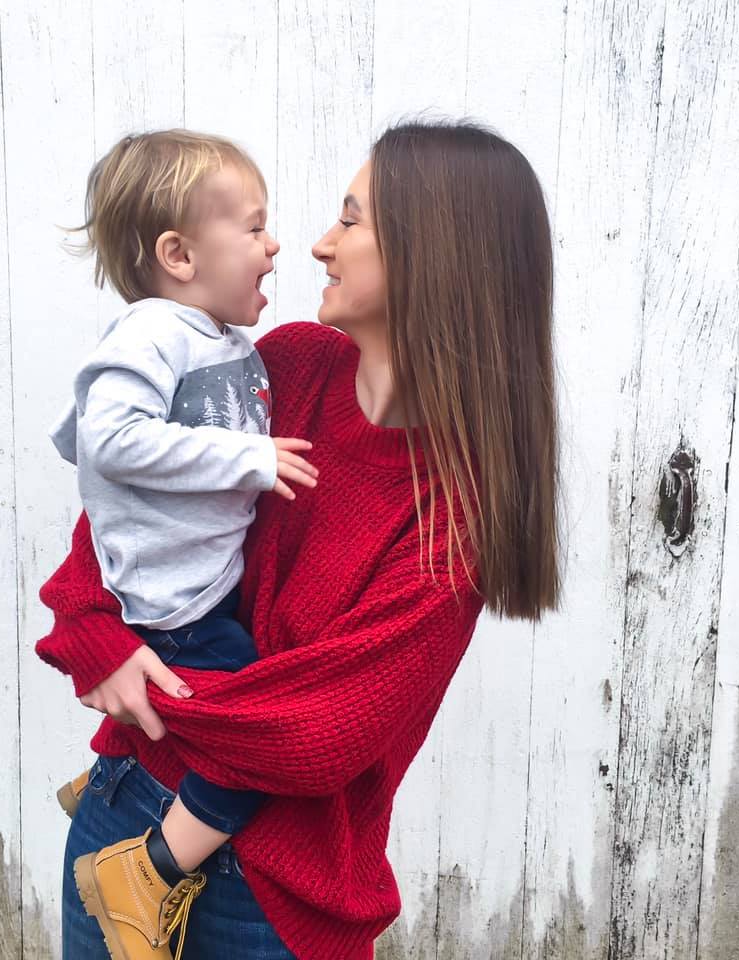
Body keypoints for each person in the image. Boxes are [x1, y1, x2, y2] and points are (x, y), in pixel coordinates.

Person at [37, 118, 561, 960]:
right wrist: (93, 631)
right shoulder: (287, 364)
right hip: (122, 807)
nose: (317, 245)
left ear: (434, 258)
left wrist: (151, 694)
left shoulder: (455, 517)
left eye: (350, 221)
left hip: (275, 893)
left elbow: (314, 737)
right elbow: (127, 513)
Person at [46, 130, 323, 960]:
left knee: (232, 717)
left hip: (199, 595)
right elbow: (108, 437)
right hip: (177, 610)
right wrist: (243, 458)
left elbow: (85, 436)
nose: (277, 246)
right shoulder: (151, 333)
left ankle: (119, 784)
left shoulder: (226, 343)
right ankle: (147, 865)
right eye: (253, 227)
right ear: (178, 254)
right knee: (259, 731)